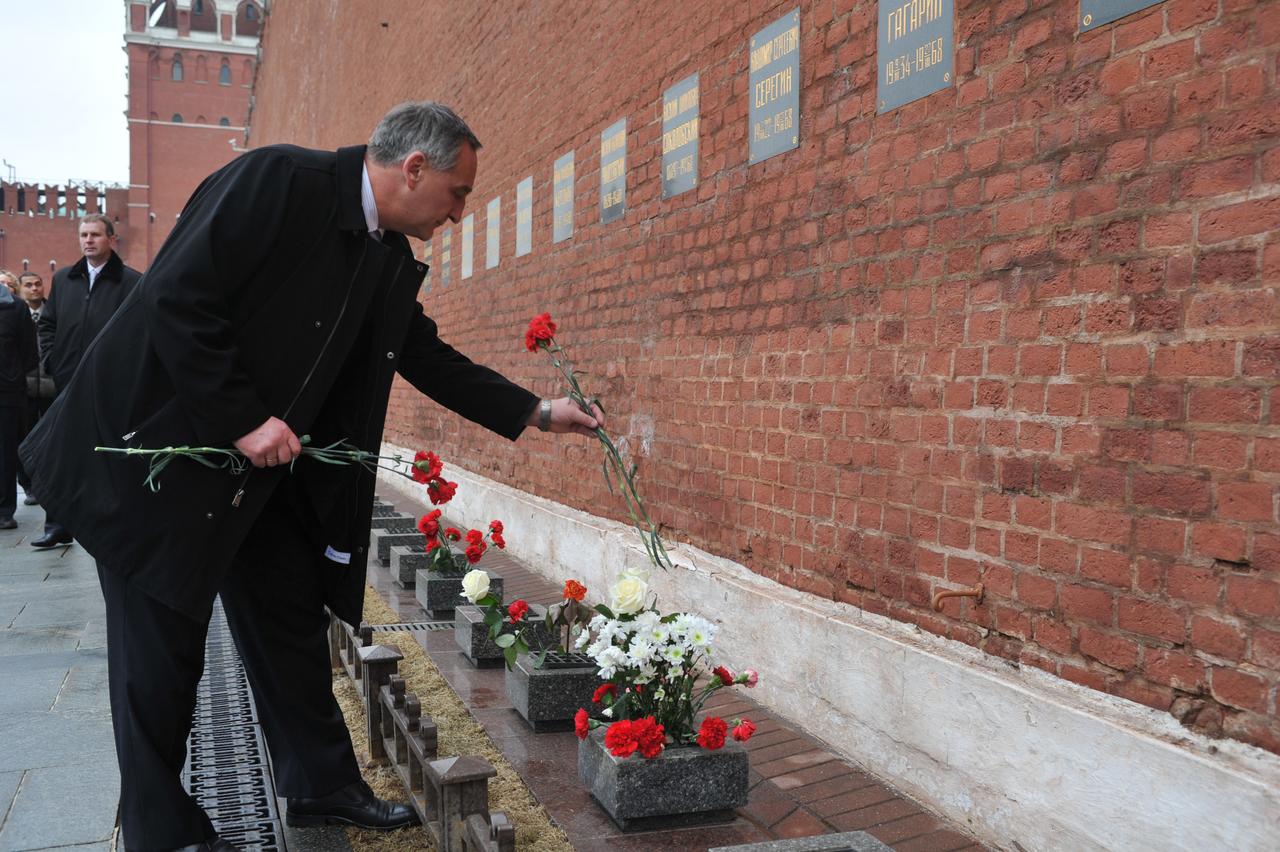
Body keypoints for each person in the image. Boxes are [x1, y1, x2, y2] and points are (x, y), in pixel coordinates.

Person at [21, 101, 601, 852]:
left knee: (287, 614)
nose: (459, 214)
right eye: (459, 194)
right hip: (150, 466)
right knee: (160, 659)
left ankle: (322, 784)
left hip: (248, 477)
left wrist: (536, 411)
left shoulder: (380, 250)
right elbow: (176, 297)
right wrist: (244, 419)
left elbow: (421, 354)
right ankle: (163, 835)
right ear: (413, 169)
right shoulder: (276, 182)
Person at [32, 214, 141, 547]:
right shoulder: (64, 279)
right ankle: (57, 525)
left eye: (95, 234)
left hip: (111, 386)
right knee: (62, 452)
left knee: (111, 454)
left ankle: (117, 522)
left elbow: (139, 332)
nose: (88, 240)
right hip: (67, 382)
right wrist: (52, 360)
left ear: (111, 239)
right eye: (83, 234)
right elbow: (47, 324)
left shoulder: (131, 282)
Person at [0, 282, 37, 529]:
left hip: (7, 392)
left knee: (4, 452)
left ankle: (4, 511)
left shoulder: (15, 308)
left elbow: (29, 353)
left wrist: (11, 376)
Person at [15, 272, 52, 506]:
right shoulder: (16, 315)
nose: (34, 289)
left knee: (49, 438)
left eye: (38, 284)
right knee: (24, 438)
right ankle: (28, 485)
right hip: (24, 388)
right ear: (20, 289)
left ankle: (48, 483)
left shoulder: (52, 313)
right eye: (28, 285)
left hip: (51, 386)